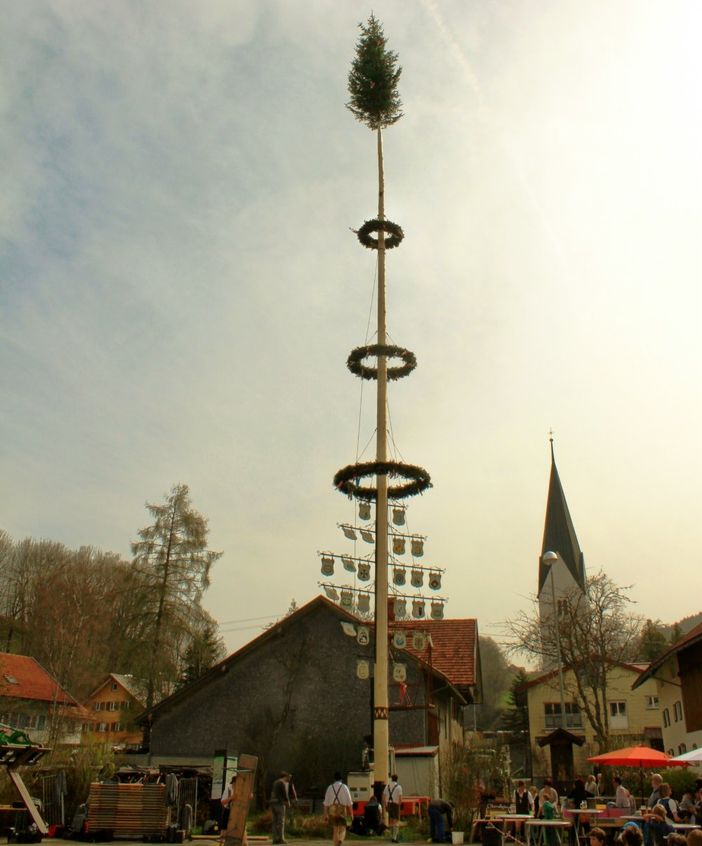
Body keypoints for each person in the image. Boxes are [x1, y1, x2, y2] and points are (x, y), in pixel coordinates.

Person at [323, 772, 353, 846]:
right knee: (343, 828)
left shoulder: (330, 787)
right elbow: (349, 803)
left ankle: (336, 844)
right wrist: (351, 814)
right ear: (341, 779)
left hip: (332, 810)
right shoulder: (345, 787)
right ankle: (340, 840)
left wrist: (325, 814)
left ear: (334, 779)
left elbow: (326, 803)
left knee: (335, 829)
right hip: (342, 810)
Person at [269, 771, 292, 845]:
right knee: (281, 822)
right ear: (285, 776)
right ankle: (281, 839)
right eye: (288, 777)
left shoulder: (275, 782)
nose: (289, 779)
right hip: (279, 804)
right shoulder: (282, 783)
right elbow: (285, 793)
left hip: (272, 803)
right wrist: (287, 802)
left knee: (274, 822)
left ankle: (275, 839)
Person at [383, 774, 403, 844]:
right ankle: (394, 837)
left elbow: (384, 796)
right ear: (397, 779)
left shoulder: (387, 786)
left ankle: (392, 836)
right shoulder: (399, 787)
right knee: (396, 821)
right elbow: (400, 798)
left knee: (391, 821)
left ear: (391, 779)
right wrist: (399, 806)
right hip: (395, 804)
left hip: (389, 804)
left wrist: (385, 805)